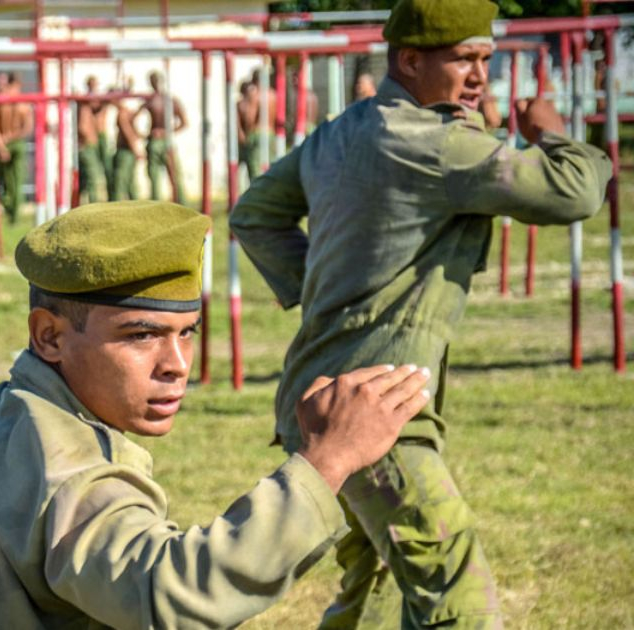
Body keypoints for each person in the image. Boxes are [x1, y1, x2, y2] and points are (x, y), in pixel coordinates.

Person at [0, 200, 434, 629]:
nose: (175, 364)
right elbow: (174, 594)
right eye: (141, 335)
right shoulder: (73, 469)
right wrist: (326, 462)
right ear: (50, 337)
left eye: (187, 333)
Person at [229, 1, 611, 627]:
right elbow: (573, 190)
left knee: (373, 595)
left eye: (485, 59)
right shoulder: (437, 144)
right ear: (410, 60)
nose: (480, 75)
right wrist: (549, 130)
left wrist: (327, 291)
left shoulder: (340, 130)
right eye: (464, 58)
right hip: (374, 408)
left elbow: (253, 213)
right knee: (457, 600)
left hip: (317, 397)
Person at [0, 71, 32, 222]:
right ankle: (12, 213)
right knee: (13, 181)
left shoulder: (2, 100)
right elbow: (27, 128)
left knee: (6, 181)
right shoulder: (22, 102)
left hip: (5, 142)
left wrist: (2, 144)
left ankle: (10, 210)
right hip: (12, 142)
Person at [139, 70, 186, 202]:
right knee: (154, 177)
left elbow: (184, 122)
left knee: (174, 174)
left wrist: (167, 132)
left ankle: (180, 203)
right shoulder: (150, 100)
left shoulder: (170, 100)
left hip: (166, 141)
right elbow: (132, 117)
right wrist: (143, 134)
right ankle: (156, 205)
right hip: (154, 141)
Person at [237, 70, 276, 181]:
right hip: (271, 133)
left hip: (257, 132)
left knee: (255, 169)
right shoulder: (273, 94)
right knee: (270, 166)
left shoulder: (255, 95)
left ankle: (258, 194)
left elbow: (250, 117)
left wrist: (248, 133)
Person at [109, 77, 141, 201]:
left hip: (125, 151)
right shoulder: (128, 111)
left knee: (120, 181)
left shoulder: (123, 112)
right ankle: (136, 206)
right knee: (130, 182)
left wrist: (135, 150)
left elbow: (128, 132)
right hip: (128, 150)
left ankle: (118, 207)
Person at [75, 77, 105, 204]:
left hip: (89, 145)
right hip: (87, 146)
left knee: (85, 180)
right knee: (93, 178)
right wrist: (87, 139)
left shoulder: (91, 106)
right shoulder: (85, 105)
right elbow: (82, 127)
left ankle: (81, 205)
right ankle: (93, 206)